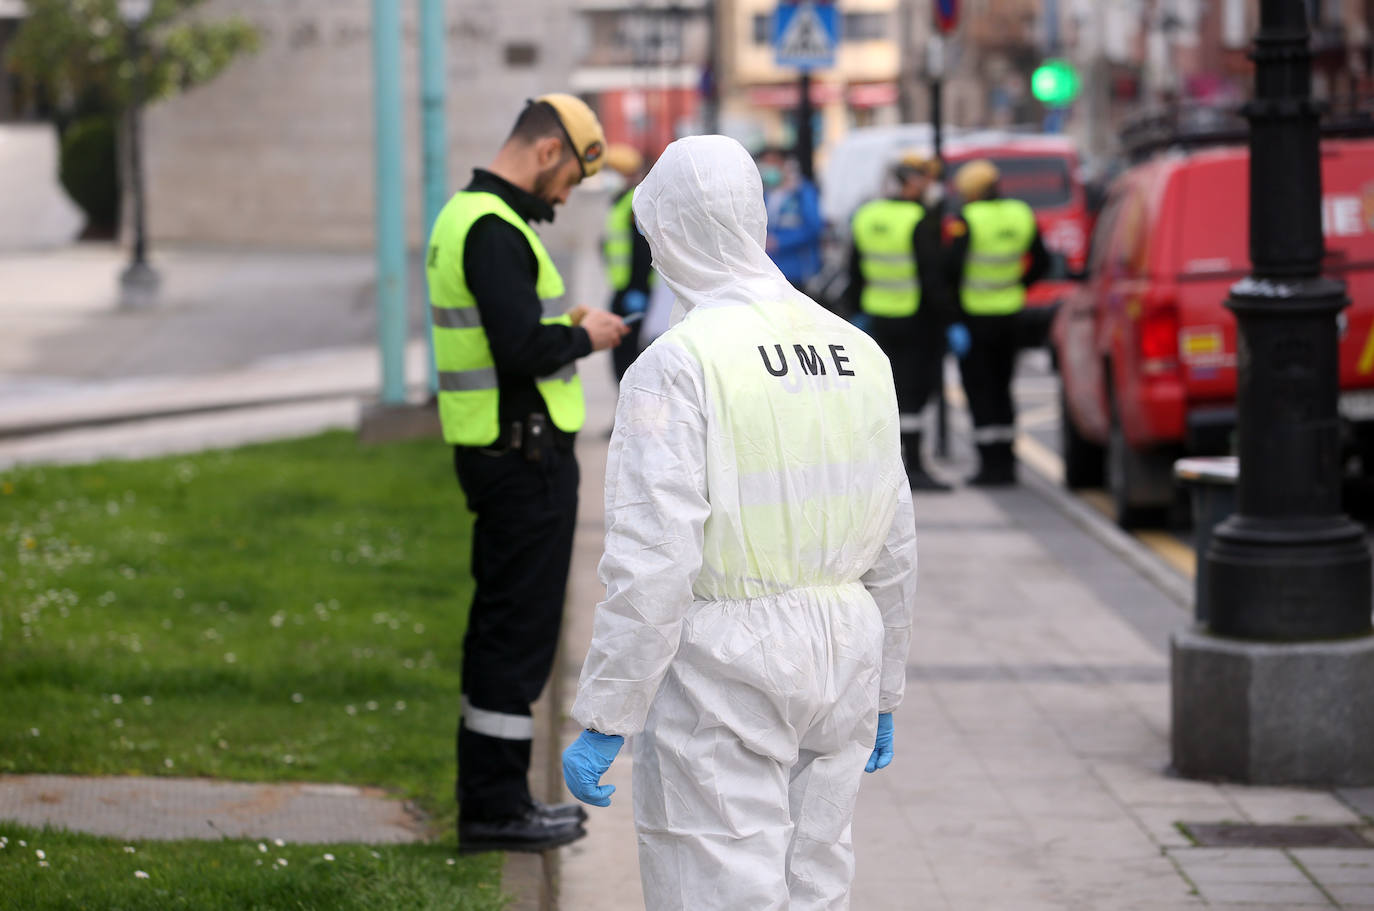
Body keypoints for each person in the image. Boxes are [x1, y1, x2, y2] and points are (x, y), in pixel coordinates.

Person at [561, 135, 918, 910]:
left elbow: (654, 559)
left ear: (675, 235)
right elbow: (895, 539)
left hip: (727, 663)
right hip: (843, 650)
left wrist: (607, 710)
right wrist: (886, 684)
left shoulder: (679, 363)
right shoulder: (857, 351)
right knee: (816, 880)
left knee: (717, 882)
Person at [426, 93, 629, 854]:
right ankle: (496, 807)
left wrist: (562, 329)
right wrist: (588, 338)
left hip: (507, 450)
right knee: (516, 636)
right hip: (522, 457)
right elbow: (517, 348)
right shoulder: (493, 228)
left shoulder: (471, 216)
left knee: (505, 630)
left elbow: (505, 334)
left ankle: (498, 796)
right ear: (548, 152)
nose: (567, 195)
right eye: (572, 177)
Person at [846, 150, 959, 492]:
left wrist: (855, 314)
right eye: (925, 179)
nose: (930, 186)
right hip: (915, 320)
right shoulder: (919, 220)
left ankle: (882, 466)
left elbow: (854, 269)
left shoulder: (866, 216)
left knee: (881, 392)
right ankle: (915, 468)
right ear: (910, 181)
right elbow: (932, 276)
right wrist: (950, 320)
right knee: (912, 394)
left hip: (877, 319)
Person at [945, 158, 1051, 487]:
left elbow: (952, 271)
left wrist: (952, 317)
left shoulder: (968, 219)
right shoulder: (1020, 213)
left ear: (972, 192)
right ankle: (1007, 463)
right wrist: (1018, 284)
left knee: (979, 391)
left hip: (975, 319)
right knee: (1004, 388)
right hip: (1011, 315)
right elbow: (1043, 261)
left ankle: (989, 467)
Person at [601, 143, 655, 382]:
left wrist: (638, 287)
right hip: (624, 287)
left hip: (635, 289)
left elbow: (642, 248)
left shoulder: (635, 201)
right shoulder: (621, 199)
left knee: (628, 351)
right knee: (621, 349)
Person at [758, 146, 825, 293]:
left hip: (798, 270)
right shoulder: (766, 193)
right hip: (772, 271)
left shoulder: (802, 192)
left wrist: (780, 242)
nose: (768, 168)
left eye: (773, 163)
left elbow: (814, 227)